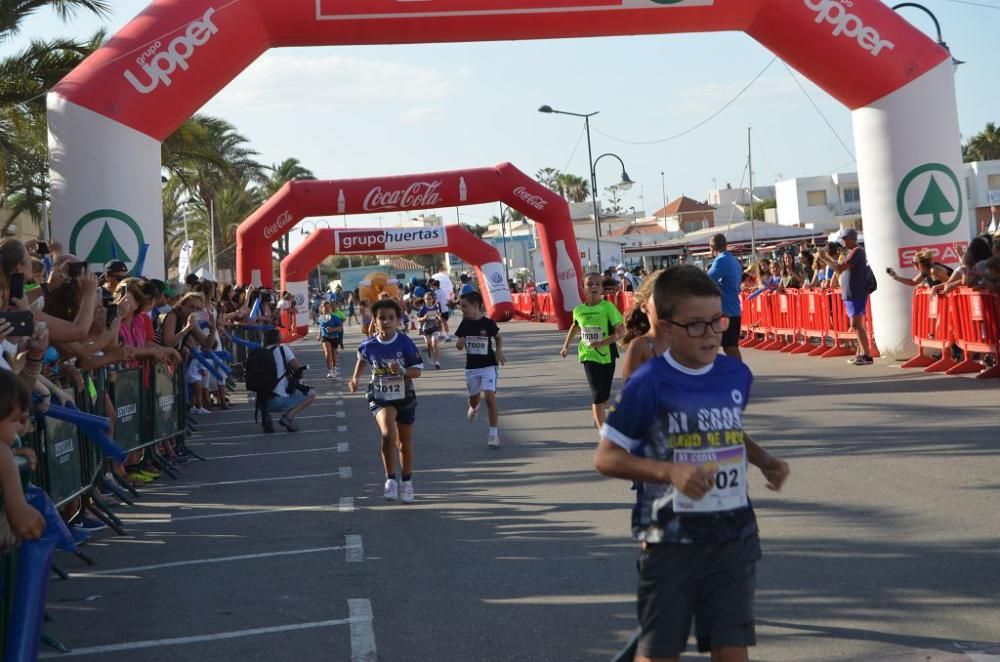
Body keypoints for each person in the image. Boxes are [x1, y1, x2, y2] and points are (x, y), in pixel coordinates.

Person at [593, 265, 790, 662]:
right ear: (668, 327)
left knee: (731, 648)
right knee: (661, 651)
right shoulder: (649, 380)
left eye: (717, 322)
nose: (711, 334)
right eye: (696, 325)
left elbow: (726, 429)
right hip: (670, 538)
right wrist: (670, 471)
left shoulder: (735, 374)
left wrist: (764, 459)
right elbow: (607, 456)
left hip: (734, 534)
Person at [348, 299, 423, 504]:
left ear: (398, 320)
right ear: (375, 320)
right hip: (380, 397)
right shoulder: (369, 345)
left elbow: (417, 371)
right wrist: (355, 378)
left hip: (404, 395)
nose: (387, 322)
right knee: (387, 434)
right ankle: (390, 480)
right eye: (382, 318)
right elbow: (362, 359)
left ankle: (406, 482)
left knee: (404, 444)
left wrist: (403, 371)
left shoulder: (405, 343)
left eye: (391, 318)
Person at [559, 273, 625, 429]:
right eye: (589, 284)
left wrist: (603, 342)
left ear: (602, 288)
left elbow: (621, 332)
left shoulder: (608, 307)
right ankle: (604, 433)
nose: (594, 287)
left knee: (604, 395)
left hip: (607, 354)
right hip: (588, 354)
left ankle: (597, 416)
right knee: (597, 394)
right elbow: (574, 326)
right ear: (583, 288)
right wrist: (566, 345)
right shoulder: (578, 310)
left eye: (597, 284)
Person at [454, 291, 506, 448]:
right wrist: (460, 344)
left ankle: (493, 435)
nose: (462, 310)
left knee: (490, 398)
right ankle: (473, 407)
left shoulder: (488, 323)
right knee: (474, 398)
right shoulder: (464, 324)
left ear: (475, 305)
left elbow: (498, 337)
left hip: (489, 366)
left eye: (464, 306)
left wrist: (498, 351)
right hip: (472, 368)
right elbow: (459, 344)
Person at [816, 228, 873, 365]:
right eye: (843, 239)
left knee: (856, 324)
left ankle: (866, 355)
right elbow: (839, 268)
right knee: (856, 325)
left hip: (856, 293)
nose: (843, 241)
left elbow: (840, 268)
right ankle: (861, 353)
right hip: (851, 293)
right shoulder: (851, 252)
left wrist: (825, 258)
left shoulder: (857, 251)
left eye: (845, 239)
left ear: (852, 239)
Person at [260, 328, 315, 432]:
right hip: (278, 401)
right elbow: (298, 370)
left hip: (261, 402)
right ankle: (288, 416)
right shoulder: (283, 349)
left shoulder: (259, 352)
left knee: (264, 386)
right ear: (278, 339)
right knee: (311, 394)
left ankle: (265, 415)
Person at [620, 270, 668, 382]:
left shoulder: (687, 341)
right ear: (644, 306)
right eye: (661, 300)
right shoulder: (640, 346)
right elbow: (629, 393)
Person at [707, 234, 744, 361]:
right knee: (728, 346)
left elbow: (705, 280)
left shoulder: (721, 260)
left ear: (712, 247)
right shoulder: (733, 260)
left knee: (729, 347)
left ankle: (739, 374)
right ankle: (737, 373)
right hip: (732, 309)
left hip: (726, 311)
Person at [886, 249, 953, 288]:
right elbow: (913, 282)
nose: (912, 264)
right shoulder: (925, 271)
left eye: (913, 262)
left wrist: (934, 288)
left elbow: (951, 283)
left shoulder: (934, 270)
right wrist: (896, 277)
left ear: (919, 263)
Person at [317, 300, 345, 378]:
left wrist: (332, 329)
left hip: (334, 337)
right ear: (322, 308)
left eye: (329, 307)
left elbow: (340, 326)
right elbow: (321, 326)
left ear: (331, 309)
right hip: (325, 337)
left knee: (333, 356)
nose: (327, 309)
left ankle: (334, 368)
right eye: (325, 307)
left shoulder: (335, 317)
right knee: (327, 353)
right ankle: (329, 371)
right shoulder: (320, 318)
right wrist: (319, 335)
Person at [417, 292, 444, 369]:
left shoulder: (436, 307)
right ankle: (429, 355)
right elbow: (418, 319)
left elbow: (439, 316)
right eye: (426, 299)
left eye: (429, 299)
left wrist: (439, 317)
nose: (428, 300)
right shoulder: (422, 309)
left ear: (433, 300)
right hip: (425, 329)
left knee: (434, 342)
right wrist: (424, 318)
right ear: (424, 300)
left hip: (435, 328)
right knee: (429, 344)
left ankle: (437, 362)